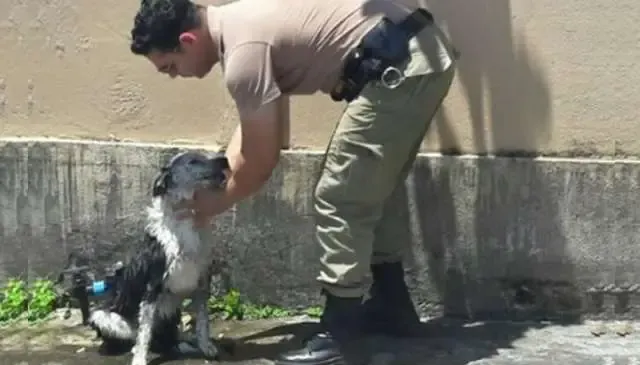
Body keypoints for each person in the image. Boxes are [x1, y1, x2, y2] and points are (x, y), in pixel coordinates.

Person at [129, 0, 457, 363]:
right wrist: (221, 180)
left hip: (400, 68)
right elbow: (259, 134)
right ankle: (392, 306)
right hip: (419, 55)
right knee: (373, 185)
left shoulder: (243, 56)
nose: (175, 75)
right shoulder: (241, 23)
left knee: (340, 194)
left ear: (187, 40)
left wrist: (215, 203)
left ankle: (340, 333)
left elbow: (262, 158)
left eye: (171, 67)